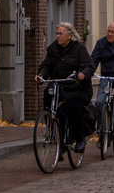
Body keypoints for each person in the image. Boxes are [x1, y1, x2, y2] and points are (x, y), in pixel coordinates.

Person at [36, 22, 94, 153]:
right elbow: (46, 66)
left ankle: (80, 139)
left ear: (69, 35)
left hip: (76, 87)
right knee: (47, 97)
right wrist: (41, 76)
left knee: (73, 107)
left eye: (60, 33)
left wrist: (82, 74)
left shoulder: (79, 49)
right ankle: (53, 132)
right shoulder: (53, 49)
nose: (57, 36)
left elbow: (88, 65)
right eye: (56, 33)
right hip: (59, 85)